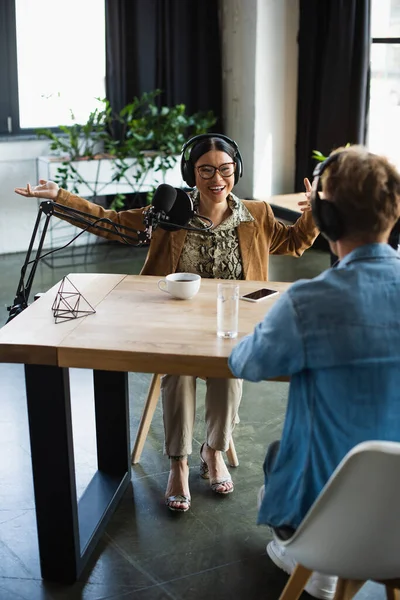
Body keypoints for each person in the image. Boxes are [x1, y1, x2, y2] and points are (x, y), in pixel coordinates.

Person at [15, 133, 319, 513]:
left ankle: (213, 450)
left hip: (230, 324)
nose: (216, 179)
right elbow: (112, 224)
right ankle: (178, 462)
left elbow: (293, 243)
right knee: (179, 372)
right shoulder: (171, 212)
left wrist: (316, 212)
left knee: (231, 368)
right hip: (170, 326)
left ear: (235, 171)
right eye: (205, 170)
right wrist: (61, 197)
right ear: (191, 172)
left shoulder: (255, 215)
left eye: (224, 169)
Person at [228, 145, 400, 599]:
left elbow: (246, 363)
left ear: (325, 221)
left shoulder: (307, 301)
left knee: (276, 454)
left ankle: (314, 559)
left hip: (326, 523)